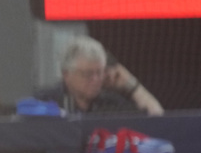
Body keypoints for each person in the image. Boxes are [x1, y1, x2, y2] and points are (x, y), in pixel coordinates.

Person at [35, 35, 164, 115]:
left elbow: (157, 120)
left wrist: (132, 86)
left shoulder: (112, 103)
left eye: (99, 72)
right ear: (66, 74)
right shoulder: (45, 102)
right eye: (88, 74)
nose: (96, 79)